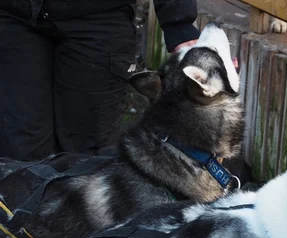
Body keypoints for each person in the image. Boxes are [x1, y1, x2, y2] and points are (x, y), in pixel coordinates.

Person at [0, 0, 200, 160]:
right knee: (19, 149)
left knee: (87, 154)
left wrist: (179, 22)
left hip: (99, 18)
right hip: (14, 17)